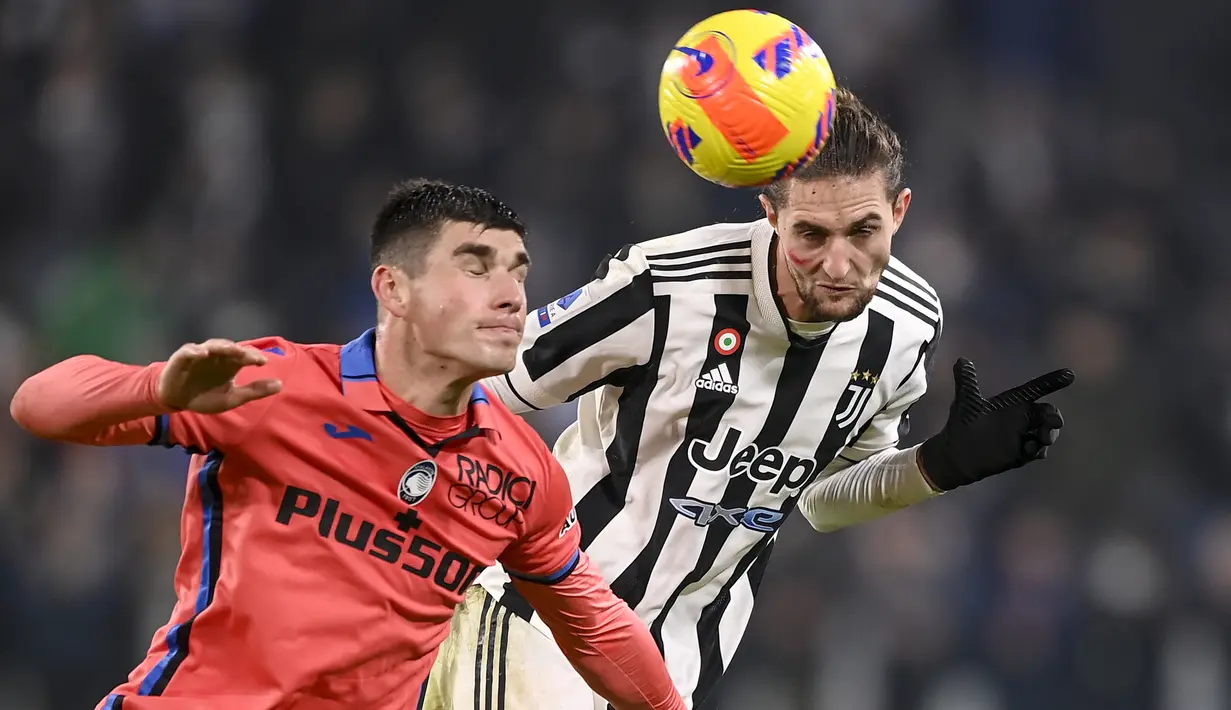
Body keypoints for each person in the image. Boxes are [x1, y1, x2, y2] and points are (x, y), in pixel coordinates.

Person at [425, 88, 1074, 709]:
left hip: (681, 657)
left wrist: (935, 468)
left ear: (899, 211)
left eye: (863, 231)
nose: (840, 264)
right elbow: (475, 388)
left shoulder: (907, 327)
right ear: (770, 214)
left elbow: (821, 500)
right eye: (812, 235)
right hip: (539, 619)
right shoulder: (664, 287)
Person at [10, 179, 688, 710]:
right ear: (393, 288)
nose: (512, 295)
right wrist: (158, 389)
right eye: (477, 267)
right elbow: (38, 405)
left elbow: (595, 627)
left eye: (518, 270)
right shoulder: (276, 387)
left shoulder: (520, 471)